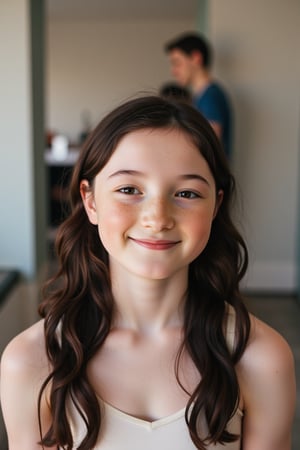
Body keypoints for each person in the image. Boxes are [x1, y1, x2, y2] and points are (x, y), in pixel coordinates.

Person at [0, 95, 295, 450]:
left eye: (186, 192)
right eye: (128, 190)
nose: (157, 218)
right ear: (90, 200)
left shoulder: (261, 358)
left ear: (216, 205)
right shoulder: (32, 360)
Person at [165, 32, 232, 159]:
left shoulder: (210, 96)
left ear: (196, 58)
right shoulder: (201, 97)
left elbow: (208, 145)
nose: (173, 71)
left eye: (177, 63)